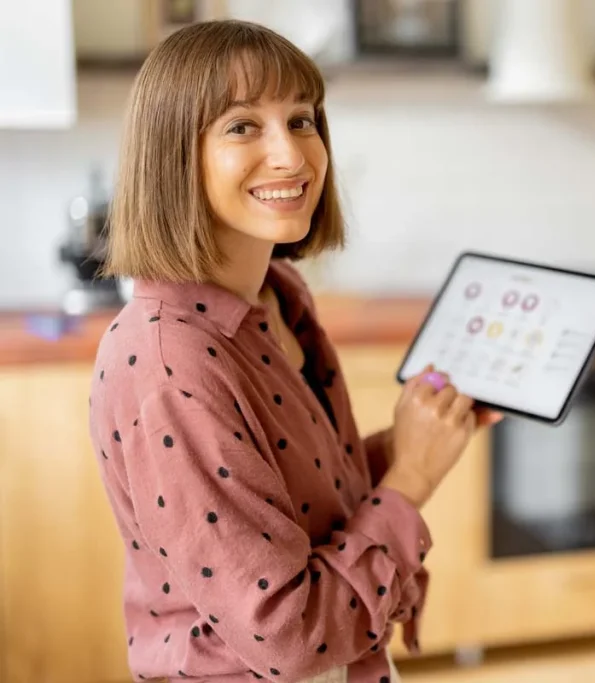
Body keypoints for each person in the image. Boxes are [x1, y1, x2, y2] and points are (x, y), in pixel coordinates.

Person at [89, 19, 500, 683]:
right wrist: (413, 477)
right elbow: (286, 634)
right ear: (172, 155)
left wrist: (411, 442)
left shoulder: (278, 295)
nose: (291, 155)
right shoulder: (169, 363)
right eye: (242, 126)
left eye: (302, 120)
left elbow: (297, 498)